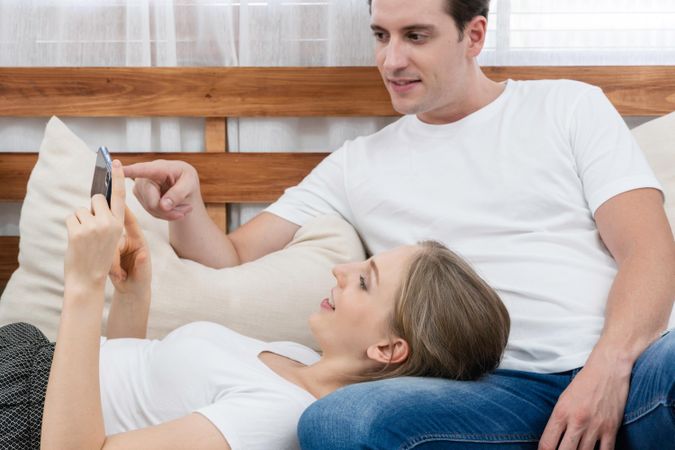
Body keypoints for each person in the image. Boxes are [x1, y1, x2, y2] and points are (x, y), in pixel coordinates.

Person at [123, 0, 675, 448]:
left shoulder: (568, 107)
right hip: (483, 393)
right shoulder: (357, 164)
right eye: (380, 36)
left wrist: (605, 371)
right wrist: (184, 209)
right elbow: (232, 257)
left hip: (628, 361)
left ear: (474, 35)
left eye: (415, 35)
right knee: (336, 423)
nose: (390, 60)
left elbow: (649, 251)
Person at [0, 161, 510, 450]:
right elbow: (132, 393)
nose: (341, 271)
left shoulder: (275, 419)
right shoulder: (296, 357)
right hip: (30, 360)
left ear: (388, 347)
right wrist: (133, 291)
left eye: (364, 281)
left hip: (24, 411)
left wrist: (84, 286)